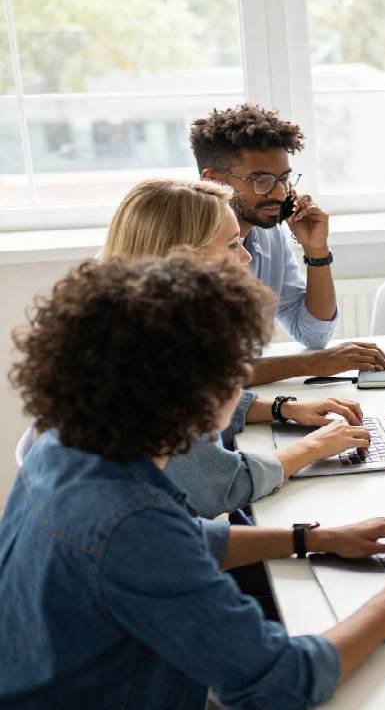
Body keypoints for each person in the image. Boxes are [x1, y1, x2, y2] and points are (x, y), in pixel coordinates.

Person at [0, 255, 385, 708]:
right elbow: (284, 682)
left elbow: (176, 539)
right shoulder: (131, 524)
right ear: (196, 392)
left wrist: (312, 537)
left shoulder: (64, 446)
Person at [102, 178, 370, 518]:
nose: (244, 257)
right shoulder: (154, 358)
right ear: (179, 254)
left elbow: (202, 406)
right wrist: (315, 447)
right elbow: (219, 486)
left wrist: (282, 408)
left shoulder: (132, 320)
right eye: (231, 245)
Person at [191, 103, 385, 384]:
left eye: (283, 179)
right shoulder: (183, 246)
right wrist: (313, 364)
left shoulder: (270, 234)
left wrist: (316, 251)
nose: (280, 193)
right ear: (212, 180)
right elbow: (206, 374)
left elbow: (313, 334)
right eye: (261, 181)